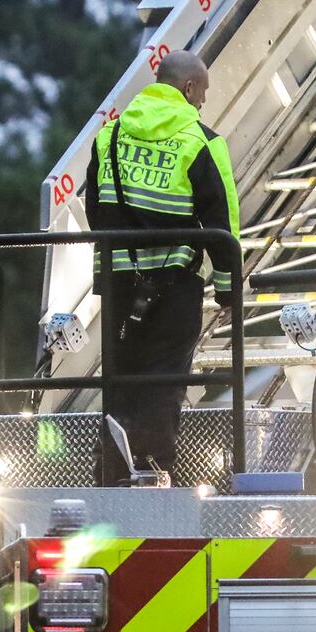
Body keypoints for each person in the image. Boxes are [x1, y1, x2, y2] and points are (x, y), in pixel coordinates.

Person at [83, 49, 240, 485]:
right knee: (164, 383)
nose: (203, 102)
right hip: (172, 289)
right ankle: (151, 477)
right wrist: (229, 292)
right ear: (188, 88)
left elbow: (95, 209)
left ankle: (110, 475)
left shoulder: (108, 137)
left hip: (117, 288)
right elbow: (223, 227)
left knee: (119, 382)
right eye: (202, 92)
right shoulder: (202, 141)